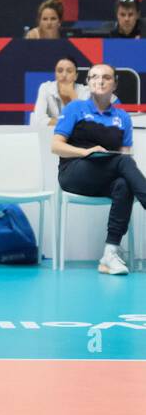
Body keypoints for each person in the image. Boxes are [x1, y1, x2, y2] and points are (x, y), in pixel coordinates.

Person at [52, 64, 146, 276]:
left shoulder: (122, 117)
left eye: (106, 77)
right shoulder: (75, 109)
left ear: (114, 84)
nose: (100, 81)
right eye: (94, 77)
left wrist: (111, 159)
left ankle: (109, 254)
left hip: (104, 176)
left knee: (124, 182)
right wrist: (86, 152)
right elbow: (56, 146)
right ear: (88, 83)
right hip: (74, 172)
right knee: (124, 164)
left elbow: (124, 154)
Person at [32, 56, 89, 127]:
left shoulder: (85, 91)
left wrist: (72, 95)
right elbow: (39, 120)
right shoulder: (45, 88)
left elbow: (86, 121)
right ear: (55, 75)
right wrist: (69, 122)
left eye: (69, 71)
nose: (64, 75)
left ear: (76, 76)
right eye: (60, 71)